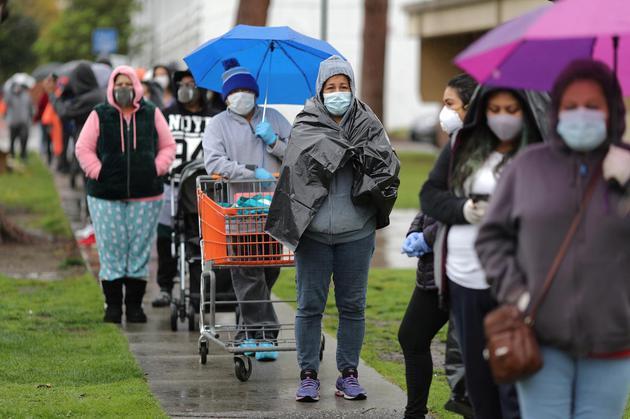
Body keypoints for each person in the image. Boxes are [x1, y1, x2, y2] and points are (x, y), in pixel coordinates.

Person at [476, 59, 630, 419]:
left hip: (613, 337)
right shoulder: (528, 166)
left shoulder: (626, 166)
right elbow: (492, 239)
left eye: (593, 106)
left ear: (612, 111)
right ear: (556, 111)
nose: (581, 115)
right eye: (571, 106)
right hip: (539, 334)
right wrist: (517, 292)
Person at [266, 56, 400, 403]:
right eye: (331, 87)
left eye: (344, 87)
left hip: (356, 232)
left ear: (352, 89)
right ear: (321, 90)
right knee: (309, 306)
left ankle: (349, 374)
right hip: (313, 234)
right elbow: (295, 170)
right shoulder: (306, 124)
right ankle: (308, 374)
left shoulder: (368, 124)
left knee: (353, 307)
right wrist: (331, 152)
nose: (338, 93)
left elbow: (387, 168)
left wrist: (357, 155)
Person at [420, 84, 549, 419]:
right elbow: (430, 195)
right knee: (479, 386)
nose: (503, 118)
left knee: (514, 379)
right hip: (464, 281)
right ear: (482, 111)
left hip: (513, 282)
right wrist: (466, 209)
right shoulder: (462, 145)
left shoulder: (536, 152)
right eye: (495, 110)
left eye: (511, 110)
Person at [398, 73, 477, 419]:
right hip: (436, 268)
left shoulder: (480, 155)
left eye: (450, 105)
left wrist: (427, 239)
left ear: (470, 108)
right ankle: (414, 413)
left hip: (464, 269)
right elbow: (430, 199)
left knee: (467, 360)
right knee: (412, 337)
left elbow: (468, 208)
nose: (443, 113)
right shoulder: (453, 147)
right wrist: (415, 232)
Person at [202, 58, 291, 359]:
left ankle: (247, 333)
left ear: (255, 91)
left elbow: (299, 155)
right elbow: (214, 162)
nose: (241, 95)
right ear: (226, 96)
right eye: (234, 90)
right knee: (247, 271)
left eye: (245, 89)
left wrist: (274, 142)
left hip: (275, 211)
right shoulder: (218, 124)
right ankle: (266, 335)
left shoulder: (275, 118)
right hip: (238, 212)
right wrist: (252, 172)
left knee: (268, 271)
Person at [75, 65, 176, 324]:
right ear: (111, 87)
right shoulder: (100, 114)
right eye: (118, 84)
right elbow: (83, 148)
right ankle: (112, 307)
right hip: (105, 196)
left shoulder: (151, 113)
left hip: (146, 195)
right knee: (111, 249)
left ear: (136, 86)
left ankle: (134, 307)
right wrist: (98, 171)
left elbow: (168, 146)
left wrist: (155, 168)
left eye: (127, 84)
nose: (123, 89)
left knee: (139, 251)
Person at [152, 69, 225, 308]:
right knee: (165, 236)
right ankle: (165, 286)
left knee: (199, 239)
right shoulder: (165, 115)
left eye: (192, 83)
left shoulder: (216, 117)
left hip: (205, 189)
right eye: (182, 84)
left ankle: (198, 291)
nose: (187, 88)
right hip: (171, 185)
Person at [5, 81, 33, 160]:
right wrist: (10, 91)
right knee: (12, 140)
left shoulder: (27, 96)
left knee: (24, 139)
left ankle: (23, 155)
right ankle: (12, 154)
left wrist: (30, 118)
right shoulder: (10, 96)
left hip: (24, 122)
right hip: (13, 122)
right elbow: (6, 101)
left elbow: (31, 108)